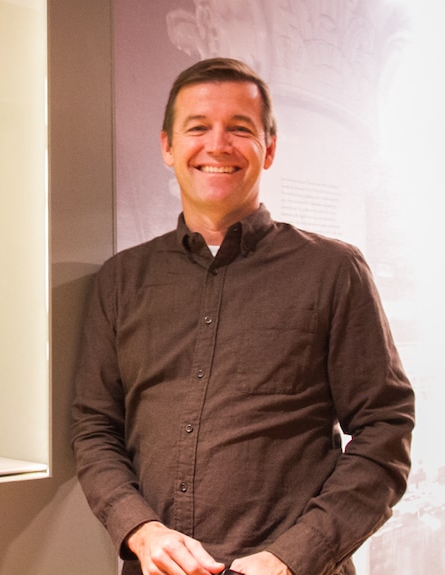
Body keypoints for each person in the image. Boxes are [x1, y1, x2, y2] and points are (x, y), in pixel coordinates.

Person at [70, 58, 414, 575]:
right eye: (198, 128)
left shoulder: (333, 270)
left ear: (268, 148)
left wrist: (291, 558)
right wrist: (140, 529)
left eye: (239, 129)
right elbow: (94, 426)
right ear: (167, 146)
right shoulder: (122, 279)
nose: (217, 145)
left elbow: (385, 432)